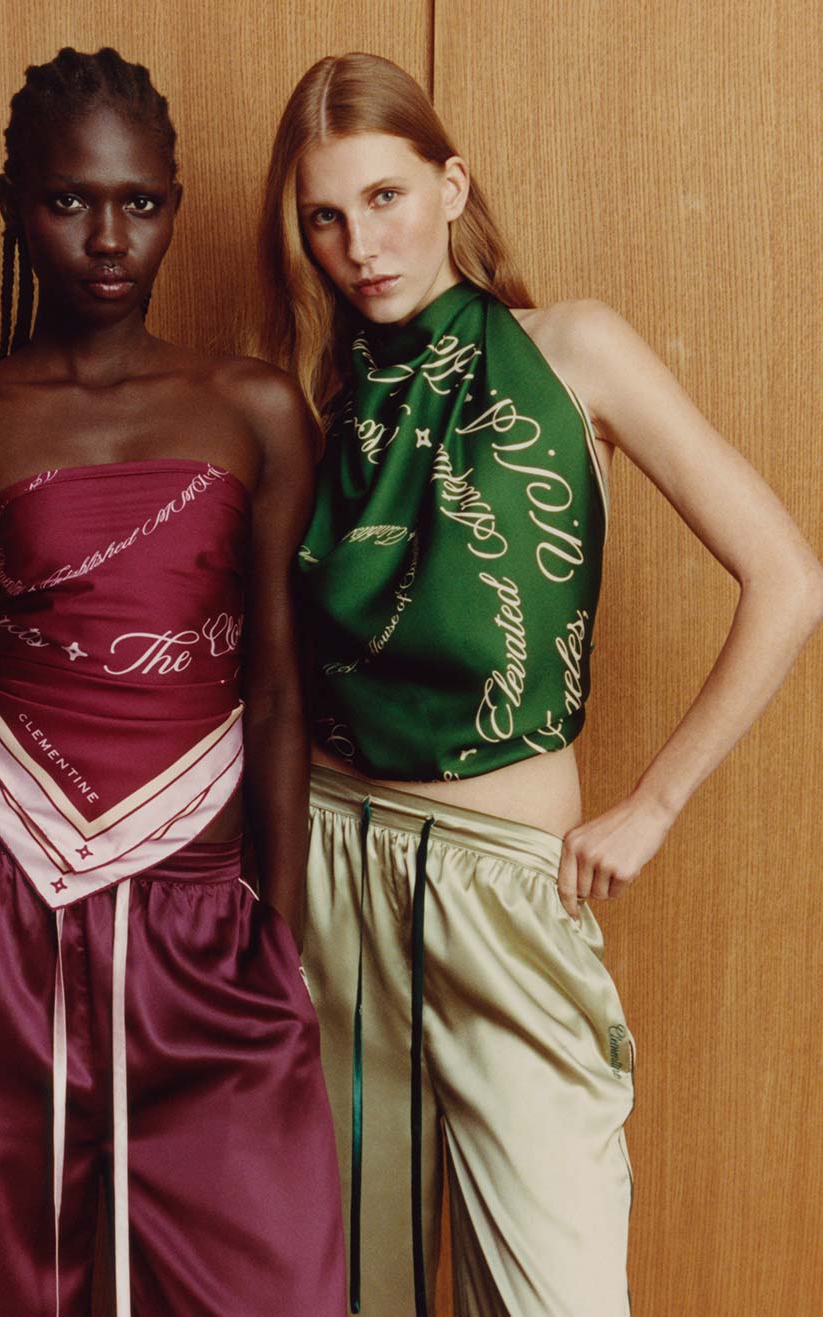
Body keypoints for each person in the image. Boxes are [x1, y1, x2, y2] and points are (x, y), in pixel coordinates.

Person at [255, 51, 823, 1317]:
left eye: (387, 198)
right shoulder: (307, 397)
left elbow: (789, 579)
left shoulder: (572, 350)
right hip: (329, 871)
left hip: (503, 886)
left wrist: (655, 805)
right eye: (325, 218)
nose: (362, 245)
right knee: (347, 1295)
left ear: (452, 187)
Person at [0, 45, 345, 1317]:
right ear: (15, 205)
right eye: (71, 200)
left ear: (175, 205)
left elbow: (277, 694)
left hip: (199, 903)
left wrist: (284, 934)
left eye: (141, 202)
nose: (110, 238)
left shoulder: (253, 407)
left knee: (262, 1273)